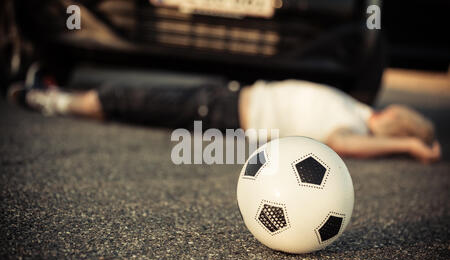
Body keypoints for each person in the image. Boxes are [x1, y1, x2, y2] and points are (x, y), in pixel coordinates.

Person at [8, 65, 441, 164]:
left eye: (394, 120)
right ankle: (59, 98)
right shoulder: (358, 108)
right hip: (227, 98)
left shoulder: (353, 125)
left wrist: (406, 145)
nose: (385, 115)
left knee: (130, 99)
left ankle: (52, 101)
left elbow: (342, 145)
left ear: (388, 123)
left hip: (226, 114)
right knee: (134, 102)